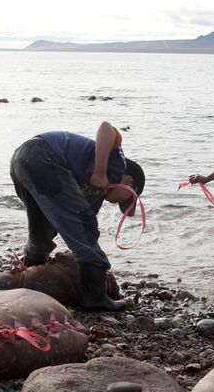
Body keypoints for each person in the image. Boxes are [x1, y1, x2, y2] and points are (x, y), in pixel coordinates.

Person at [9, 121, 146, 311]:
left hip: (22, 161)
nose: (115, 204)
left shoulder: (95, 199)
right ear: (129, 183)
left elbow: (74, 223)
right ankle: (96, 298)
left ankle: (27, 271)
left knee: (43, 230)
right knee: (86, 225)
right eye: (123, 201)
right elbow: (106, 128)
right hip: (44, 154)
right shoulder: (115, 166)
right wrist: (99, 172)